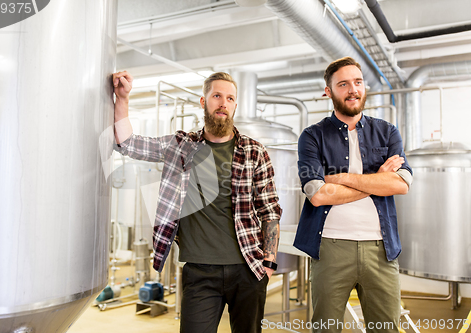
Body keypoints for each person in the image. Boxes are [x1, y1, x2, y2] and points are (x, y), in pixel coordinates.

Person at [112, 71, 281, 333]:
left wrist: (268, 263)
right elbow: (128, 144)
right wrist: (122, 98)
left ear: (235, 105)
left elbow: (269, 210)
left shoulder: (254, 151)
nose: (223, 103)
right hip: (199, 272)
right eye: (216, 96)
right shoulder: (181, 146)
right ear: (204, 102)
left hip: (247, 269)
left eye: (229, 98)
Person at [294, 57, 413, 332]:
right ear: (329, 91)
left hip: (381, 249)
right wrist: (378, 179)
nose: (353, 90)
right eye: (343, 84)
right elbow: (317, 195)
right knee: (326, 328)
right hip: (330, 247)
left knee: (386, 328)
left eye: (358, 82)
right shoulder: (312, 136)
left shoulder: (387, 132)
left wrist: (343, 179)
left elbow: (401, 184)